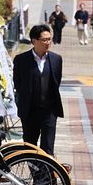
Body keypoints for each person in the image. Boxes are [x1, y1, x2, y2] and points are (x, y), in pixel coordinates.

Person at [12, 24, 64, 154]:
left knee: (47, 148)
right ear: (34, 41)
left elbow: (56, 82)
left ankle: (47, 174)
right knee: (30, 148)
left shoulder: (56, 59)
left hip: (49, 111)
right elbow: (18, 84)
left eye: (49, 39)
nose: (48, 43)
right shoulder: (21, 60)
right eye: (44, 40)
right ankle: (37, 174)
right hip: (30, 111)